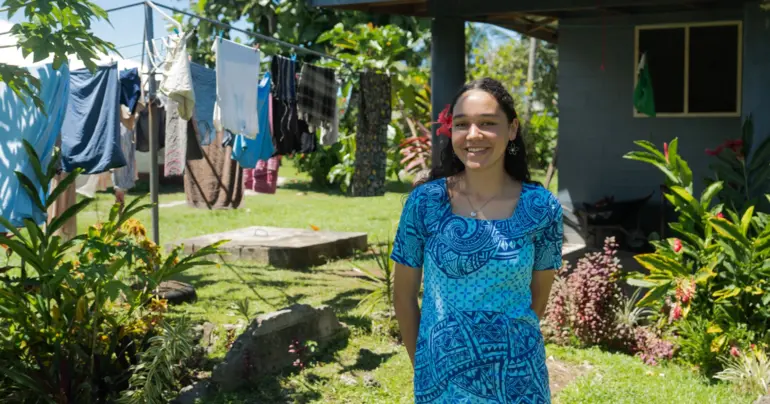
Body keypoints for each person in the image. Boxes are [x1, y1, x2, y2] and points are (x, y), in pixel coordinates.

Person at [391, 78, 563, 403]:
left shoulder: (541, 208)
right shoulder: (426, 203)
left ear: (512, 129)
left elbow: (537, 300)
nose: (473, 135)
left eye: (487, 123)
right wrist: (425, 368)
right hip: (440, 383)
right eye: (462, 124)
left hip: (518, 381)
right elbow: (403, 296)